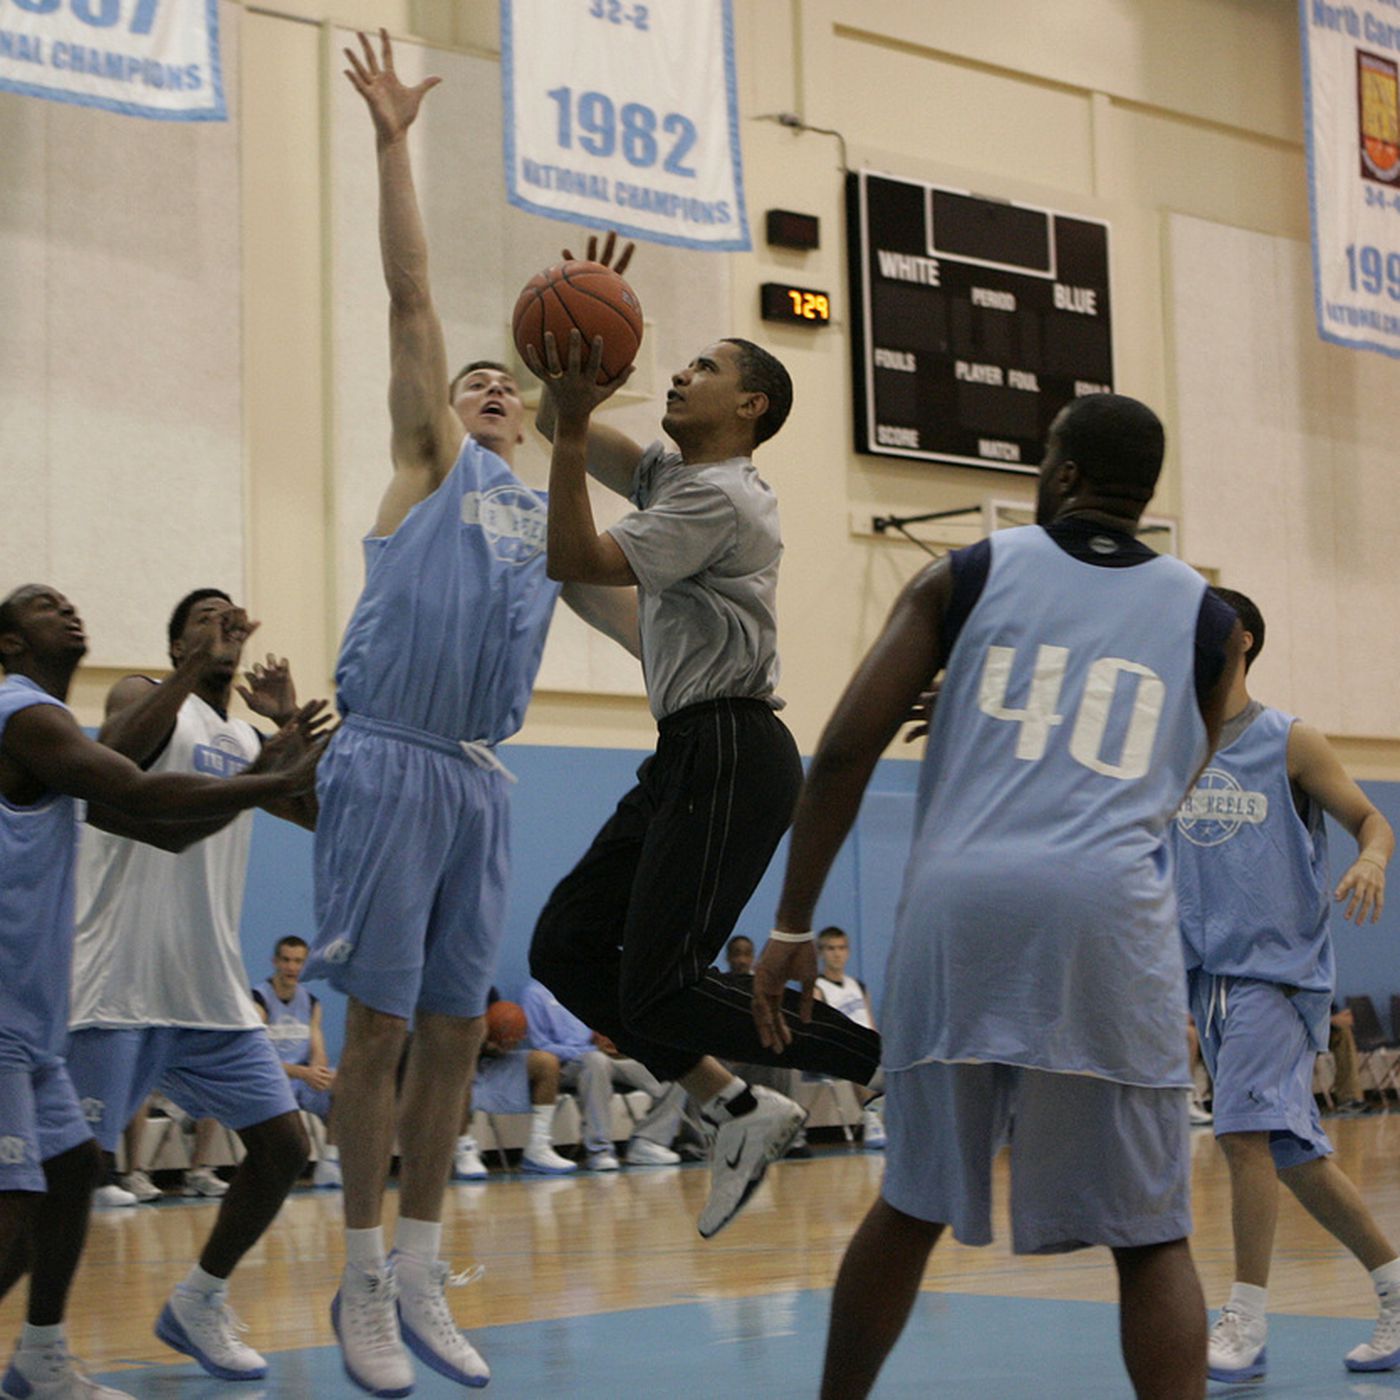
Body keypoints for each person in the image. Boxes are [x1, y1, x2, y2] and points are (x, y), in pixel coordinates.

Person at [752, 394, 1243, 1400]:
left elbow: (843, 748)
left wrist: (792, 920)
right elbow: (1173, 770)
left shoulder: (966, 571)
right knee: (1151, 1234)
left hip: (961, 909)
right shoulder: (1208, 616)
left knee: (910, 1201)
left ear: (1058, 472)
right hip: (1107, 913)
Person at [304, 32, 639, 1397]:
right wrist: (392, 143)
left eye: (508, 381)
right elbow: (409, 298)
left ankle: (430, 1270)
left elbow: (639, 624)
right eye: (475, 380)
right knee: (377, 1032)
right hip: (383, 757)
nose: (488, 387)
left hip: (478, 775)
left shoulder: (549, 512)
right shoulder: (430, 462)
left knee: (455, 1029)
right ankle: (361, 1279)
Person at [525, 320, 883, 1242]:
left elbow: (577, 556)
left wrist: (568, 431)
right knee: (565, 945)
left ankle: (891, 1060)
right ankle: (737, 1107)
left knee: (662, 987)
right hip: (689, 750)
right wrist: (571, 365)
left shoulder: (721, 497)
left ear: (751, 405)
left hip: (732, 748)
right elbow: (552, 418)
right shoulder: (682, 478)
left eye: (706, 368)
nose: (681, 373)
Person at [0, 583, 322, 1400]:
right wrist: (187, 673)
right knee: (49, 1191)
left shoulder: (236, 734)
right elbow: (126, 767)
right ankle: (44, 1349)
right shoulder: (129, 699)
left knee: (283, 1149)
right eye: (204, 617)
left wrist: (281, 740)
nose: (226, 625)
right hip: (111, 987)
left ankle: (192, 1303)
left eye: (232, 618)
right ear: (176, 638)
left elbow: (280, 814)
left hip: (205, 989)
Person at [1172, 586, 1400, 1382]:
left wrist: (1371, 857)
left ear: (1239, 640)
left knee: (1239, 1135)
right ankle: (1397, 1291)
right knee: (1292, 1154)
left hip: (1276, 971)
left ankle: (1246, 1321)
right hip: (1208, 978)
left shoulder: (1287, 739)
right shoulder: (1174, 743)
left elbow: (1373, 820)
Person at [520, 978, 685, 1171]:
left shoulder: (583, 989)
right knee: (595, 1061)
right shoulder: (534, 994)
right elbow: (541, 1045)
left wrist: (613, 1041)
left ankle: (648, 1142)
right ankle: (600, 1150)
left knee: (677, 1070)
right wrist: (586, 1050)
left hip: (602, 1057)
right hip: (565, 1066)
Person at [251, 936, 341, 1189]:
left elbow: (318, 1049)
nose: (292, 967)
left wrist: (319, 1072)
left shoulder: (311, 1003)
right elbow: (258, 1061)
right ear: (275, 962)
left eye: (298, 961)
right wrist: (303, 1073)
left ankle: (330, 1162)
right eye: (286, 960)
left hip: (301, 1080)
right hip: (270, 1080)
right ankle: (272, 1171)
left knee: (341, 1085)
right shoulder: (258, 1000)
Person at [453, 1009, 573, 1180]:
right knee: (457, 1072)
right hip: (463, 1062)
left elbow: (505, 1027)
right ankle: (463, 1149)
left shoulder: (490, 993)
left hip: (496, 1063)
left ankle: (538, 1147)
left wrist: (500, 1044)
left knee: (546, 1062)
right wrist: (481, 1044)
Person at [814, 928, 885, 1147]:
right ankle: (872, 1115)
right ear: (820, 953)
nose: (837, 954)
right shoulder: (817, 988)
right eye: (831, 948)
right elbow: (819, 1031)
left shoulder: (858, 986)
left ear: (848, 952)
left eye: (841, 948)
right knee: (854, 1056)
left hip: (866, 1047)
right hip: (836, 1051)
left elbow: (871, 1024)